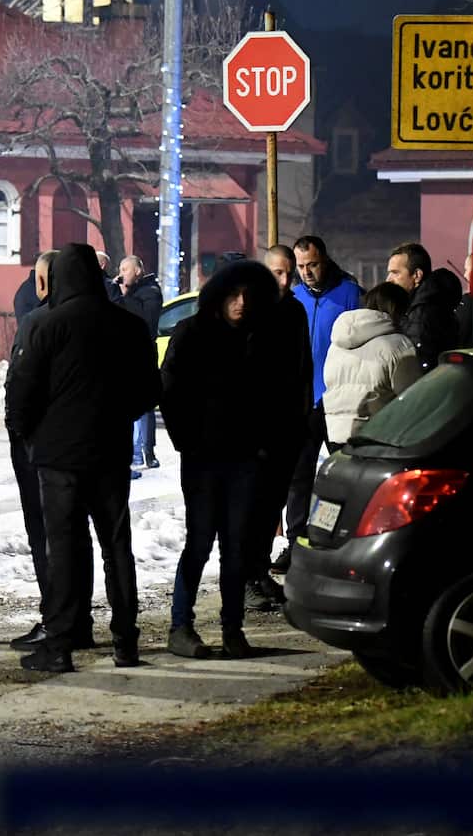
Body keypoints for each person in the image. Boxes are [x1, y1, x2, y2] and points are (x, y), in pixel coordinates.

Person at [6, 243, 160, 673]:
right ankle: (125, 641)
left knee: (64, 550)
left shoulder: (44, 326)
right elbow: (149, 390)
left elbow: (20, 393)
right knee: (117, 547)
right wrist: (116, 417)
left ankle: (59, 644)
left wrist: (31, 435)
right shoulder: (127, 326)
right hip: (109, 453)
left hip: (58, 458)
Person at [161, 259, 281, 660]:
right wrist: (188, 442)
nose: (241, 303)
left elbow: (270, 395)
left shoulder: (258, 337)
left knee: (236, 547)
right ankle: (181, 626)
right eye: (233, 295)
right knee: (199, 542)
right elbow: (171, 392)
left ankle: (233, 629)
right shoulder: (192, 334)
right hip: (203, 458)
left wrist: (262, 445)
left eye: (248, 295)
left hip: (244, 457)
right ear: (219, 296)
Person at [273, 236, 361, 575]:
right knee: (298, 478)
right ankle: (295, 544)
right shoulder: (292, 297)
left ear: (325, 259)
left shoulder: (350, 293)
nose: (307, 272)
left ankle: (343, 543)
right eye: (302, 266)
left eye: (313, 264)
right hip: (301, 401)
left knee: (343, 476)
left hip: (337, 399)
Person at [243, 245, 312, 613]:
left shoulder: (295, 311)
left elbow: (303, 369)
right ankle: (243, 579)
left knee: (271, 506)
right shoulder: (249, 310)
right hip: (255, 429)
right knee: (251, 508)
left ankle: (257, 571)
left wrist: (300, 417)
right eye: (277, 273)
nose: (285, 281)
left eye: (289, 273)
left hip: (286, 427)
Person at [8, 250, 60, 651]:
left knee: (45, 533)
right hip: (83, 449)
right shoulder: (104, 316)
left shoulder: (36, 322)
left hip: (41, 451)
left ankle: (56, 617)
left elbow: (19, 391)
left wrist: (20, 432)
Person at [323, 283, 422, 450]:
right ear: (398, 310)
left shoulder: (337, 343)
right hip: (379, 437)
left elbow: (329, 382)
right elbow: (412, 397)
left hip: (336, 435)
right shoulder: (398, 344)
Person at [112, 255, 164, 472]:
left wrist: (123, 297)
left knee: (144, 406)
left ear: (138, 271)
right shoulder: (130, 293)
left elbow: (146, 322)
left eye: (126, 269)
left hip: (143, 357)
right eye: (121, 269)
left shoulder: (150, 292)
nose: (122, 273)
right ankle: (134, 452)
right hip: (126, 356)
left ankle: (147, 450)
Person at [386, 243, 461, 372]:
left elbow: (418, 367)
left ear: (417, 275)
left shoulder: (423, 313)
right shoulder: (426, 305)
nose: (389, 280)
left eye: (395, 273)